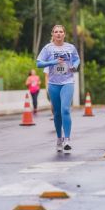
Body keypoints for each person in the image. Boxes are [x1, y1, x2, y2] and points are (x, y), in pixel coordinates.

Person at [36, 25, 80, 153]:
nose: (59, 34)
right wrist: (53, 62)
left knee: (65, 109)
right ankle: (59, 138)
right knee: (57, 113)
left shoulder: (70, 47)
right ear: (53, 34)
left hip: (68, 82)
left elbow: (77, 59)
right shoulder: (47, 48)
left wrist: (75, 66)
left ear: (64, 34)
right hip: (53, 83)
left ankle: (67, 139)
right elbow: (39, 63)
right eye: (56, 32)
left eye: (61, 32)